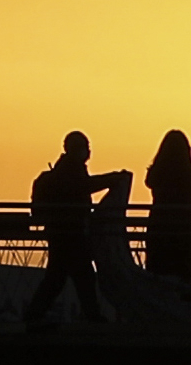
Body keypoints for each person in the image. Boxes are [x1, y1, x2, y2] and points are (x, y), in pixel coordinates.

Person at [24, 131, 127, 325]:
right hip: (71, 232)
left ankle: (35, 314)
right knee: (80, 276)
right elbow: (84, 186)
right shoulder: (71, 171)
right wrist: (112, 179)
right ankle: (91, 317)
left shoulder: (63, 171)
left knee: (60, 277)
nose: (88, 152)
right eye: (85, 147)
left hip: (61, 232)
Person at [144, 130, 191, 282]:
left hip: (160, 225)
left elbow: (149, 182)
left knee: (158, 273)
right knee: (187, 274)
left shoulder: (157, 172)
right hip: (187, 227)